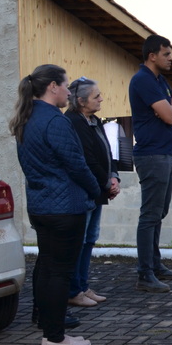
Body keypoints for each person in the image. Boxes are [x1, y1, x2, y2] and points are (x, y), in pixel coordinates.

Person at [9, 64, 101, 345]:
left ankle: (48, 326)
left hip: (41, 206)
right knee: (59, 272)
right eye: (64, 86)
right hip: (64, 208)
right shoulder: (54, 121)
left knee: (47, 267)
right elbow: (76, 164)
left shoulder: (26, 118)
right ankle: (55, 338)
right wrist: (97, 190)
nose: (67, 92)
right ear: (52, 87)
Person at [129, 34, 172, 293]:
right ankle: (145, 273)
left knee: (159, 212)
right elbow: (169, 116)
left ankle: (155, 264)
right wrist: (170, 111)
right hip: (151, 155)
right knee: (150, 215)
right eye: (166, 54)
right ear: (152, 56)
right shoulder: (142, 80)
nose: (170, 58)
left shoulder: (159, 81)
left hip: (163, 154)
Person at [66, 77, 121, 308]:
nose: (101, 99)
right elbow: (86, 158)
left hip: (98, 188)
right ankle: (74, 290)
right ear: (80, 101)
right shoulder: (73, 122)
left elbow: (106, 151)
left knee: (89, 239)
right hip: (84, 190)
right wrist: (106, 182)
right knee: (79, 241)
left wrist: (114, 176)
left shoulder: (94, 121)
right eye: (96, 96)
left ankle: (82, 285)